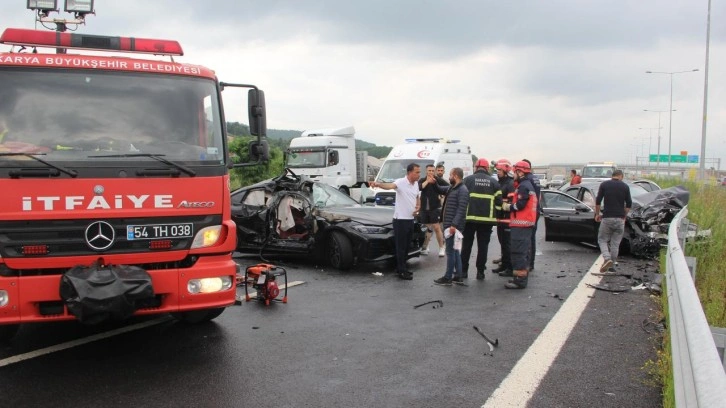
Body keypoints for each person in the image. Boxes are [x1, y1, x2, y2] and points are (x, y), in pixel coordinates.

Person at [370, 163, 421, 280]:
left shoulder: (415, 184)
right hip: (400, 220)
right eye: (417, 172)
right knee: (401, 247)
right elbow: (390, 186)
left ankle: (402, 267)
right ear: (409, 173)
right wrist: (378, 184)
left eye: (419, 172)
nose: (419, 174)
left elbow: (417, 196)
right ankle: (402, 271)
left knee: (407, 245)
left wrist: (418, 206)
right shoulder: (401, 182)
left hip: (410, 219)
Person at [460, 158, 501, 280]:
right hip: (486, 221)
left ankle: (463, 271)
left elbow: (461, 198)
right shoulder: (494, 182)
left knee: (466, 246)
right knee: (483, 247)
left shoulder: (467, 180)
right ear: (487, 168)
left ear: (476, 168)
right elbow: (498, 203)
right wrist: (496, 215)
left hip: (469, 219)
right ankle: (480, 272)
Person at [501, 160, 538, 289]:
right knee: (523, 252)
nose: (513, 174)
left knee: (518, 252)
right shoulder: (527, 184)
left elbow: (520, 205)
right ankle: (519, 278)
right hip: (525, 224)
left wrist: (508, 207)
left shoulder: (523, 186)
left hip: (521, 225)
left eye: (515, 171)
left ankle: (520, 280)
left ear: (520, 172)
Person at [433, 167, 469, 286]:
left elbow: (461, 209)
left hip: (453, 226)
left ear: (455, 176)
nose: (449, 177)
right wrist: (434, 181)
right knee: (455, 251)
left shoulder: (462, 190)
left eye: (450, 175)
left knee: (450, 251)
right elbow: (439, 189)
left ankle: (448, 277)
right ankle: (458, 276)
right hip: (450, 224)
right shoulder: (452, 188)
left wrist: (454, 224)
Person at [594, 169, 632, 273]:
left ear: (613, 176)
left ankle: (607, 258)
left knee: (602, 240)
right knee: (615, 243)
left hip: (607, 218)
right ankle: (611, 266)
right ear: (621, 176)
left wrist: (597, 214)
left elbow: (598, 201)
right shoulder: (625, 187)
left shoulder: (604, 185)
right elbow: (629, 204)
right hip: (620, 220)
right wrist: (624, 215)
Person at [418, 164, 448, 257]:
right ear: (426, 171)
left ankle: (441, 247)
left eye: (432, 171)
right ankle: (425, 247)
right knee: (426, 228)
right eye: (429, 170)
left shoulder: (438, 180)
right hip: (424, 208)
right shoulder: (422, 180)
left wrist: (442, 195)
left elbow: (448, 187)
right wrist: (427, 181)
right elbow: (419, 187)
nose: (431, 172)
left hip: (435, 207)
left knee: (436, 227)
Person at [492, 159, 515, 277]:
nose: (497, 172)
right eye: (497, 170)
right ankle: (504, 264)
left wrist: (502, 205)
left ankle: (510, 267)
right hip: (500, 218)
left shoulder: (510, 184)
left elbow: (511, 203)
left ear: (506, 170)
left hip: (507, 218)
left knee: (507, 244)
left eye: (499, 170)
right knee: (503, 243)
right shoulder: (500, 183)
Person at [522, 159, 540, 272]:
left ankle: (528, 263)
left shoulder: (527, 180)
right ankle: (531, 262)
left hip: (530, 211)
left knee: (527, 238)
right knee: (531, 238)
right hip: (536, 210)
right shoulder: (535, 178)